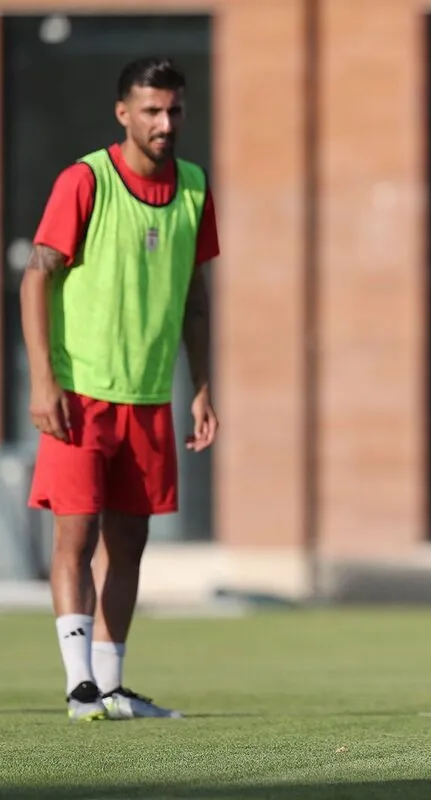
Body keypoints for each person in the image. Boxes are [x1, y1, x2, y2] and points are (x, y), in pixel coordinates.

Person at [21, 56, 219, 722]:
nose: (165, 123)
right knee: (75, 537)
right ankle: (79, 684)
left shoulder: (195, 187)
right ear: (123, 113)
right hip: (80, 395)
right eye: (152, 110)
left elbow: (195, 297)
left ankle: (110, 685)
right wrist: (43, 380)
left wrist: (201, 387)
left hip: (149, 397)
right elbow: (35, 275)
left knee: (130, 543)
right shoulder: (86, 180)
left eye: (174, 110)